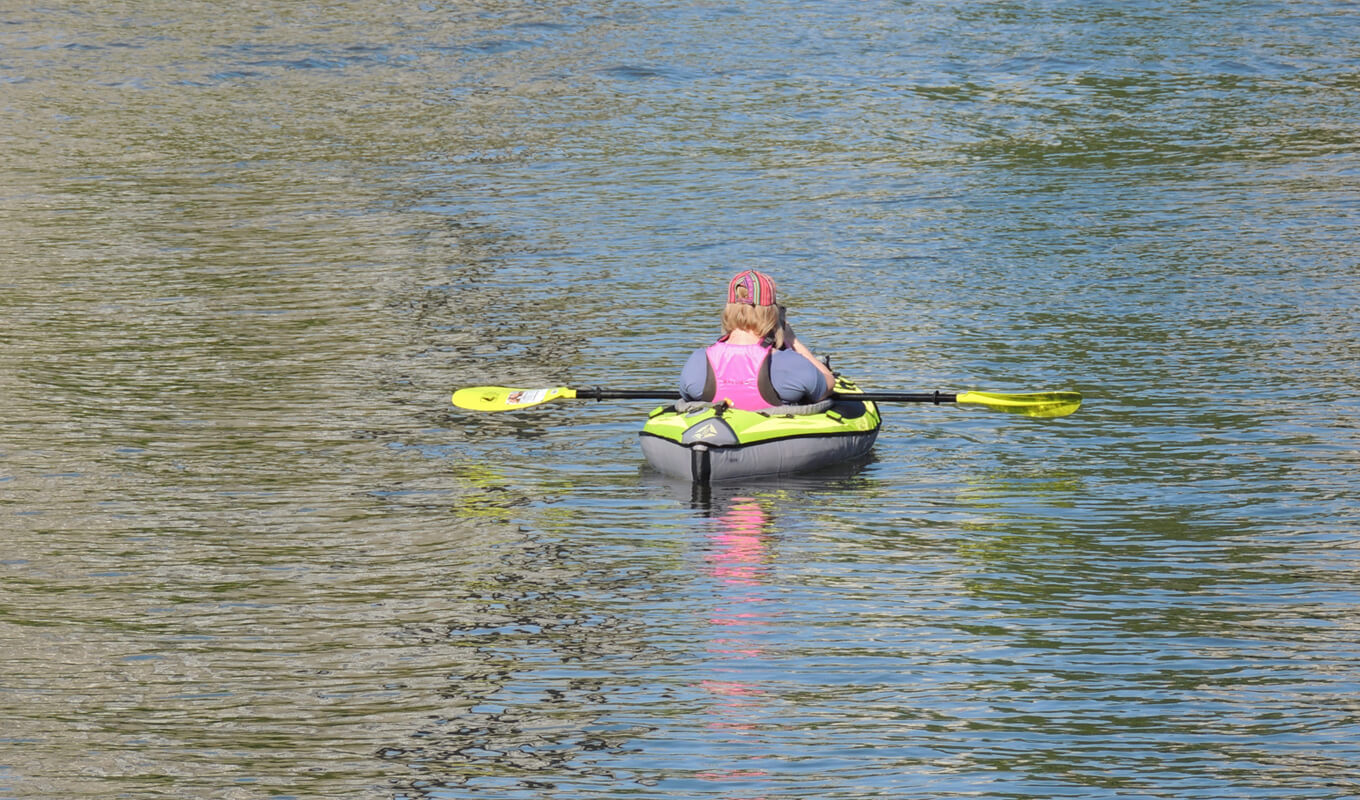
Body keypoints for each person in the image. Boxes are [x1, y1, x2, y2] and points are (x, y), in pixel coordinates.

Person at [678, 270, 836, 410]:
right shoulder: (789, 363)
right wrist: (794, 341)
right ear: (772, 314)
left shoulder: (697, 361)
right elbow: (828, 384)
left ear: (728, 310)